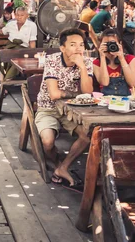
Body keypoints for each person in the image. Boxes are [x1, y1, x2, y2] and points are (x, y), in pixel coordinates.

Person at [36, 28, 93, 188]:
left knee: (88, 136)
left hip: (73, 111)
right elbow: (54, 94)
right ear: (62, 48)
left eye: (81, 45)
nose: (78, 49)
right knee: (47, 142)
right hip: (48, 108)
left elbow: (88, 92)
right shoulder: (52, 60)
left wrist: (82, 68)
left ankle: (63, 167)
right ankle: (56, 163)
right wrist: (75, 92)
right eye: (73, 45)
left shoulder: (86, 62)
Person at [93, 29, 135, 96]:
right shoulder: (97, 63)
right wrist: (102, 57)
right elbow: (104, 82)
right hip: (106, 100)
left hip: (125, 99)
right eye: (106, 44)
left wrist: (122, 59)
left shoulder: (130, 59)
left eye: (113, 43)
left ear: (120, 44)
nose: (110, 46)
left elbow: (132, 83)